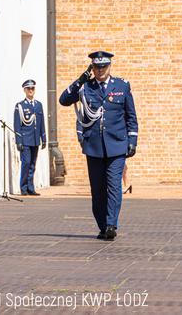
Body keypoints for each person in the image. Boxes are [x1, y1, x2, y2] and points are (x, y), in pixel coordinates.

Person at [59, 51, 138, 241]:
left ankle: (111, 224)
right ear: (92, 68)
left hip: (117, 144)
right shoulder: (86, 87)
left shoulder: (122, 85)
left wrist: (132, 140)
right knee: (98, 189)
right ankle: (102, 225)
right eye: (96, 67)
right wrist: (80, 80)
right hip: (94, 146)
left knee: (114, 185)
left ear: (109, 66)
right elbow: (63, 100)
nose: (100, 70)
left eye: (103, 67)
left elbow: (131, 117)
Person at [14, 79, 47, 196]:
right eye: (28, 89)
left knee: (33, 164)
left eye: (32, 88)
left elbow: (41, 123)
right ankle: (23, 187)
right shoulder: (20, 106)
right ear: (24, 90)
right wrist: (18, 141)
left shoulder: (38, 105)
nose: (31, 91)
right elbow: (17, 125)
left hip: (35, 139)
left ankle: (30, 187)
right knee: (26, 163)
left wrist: (44, 138)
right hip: (25, 140)